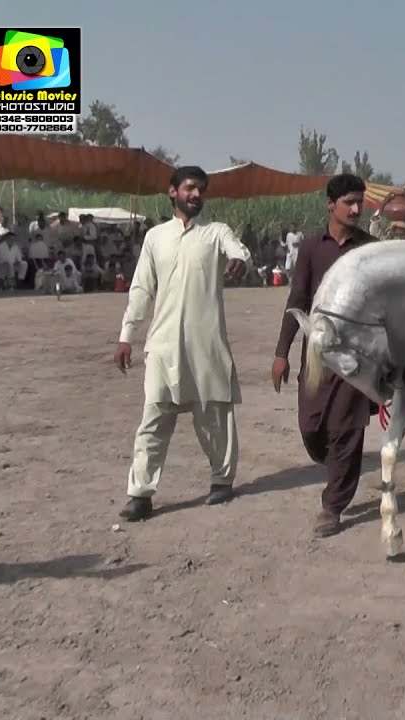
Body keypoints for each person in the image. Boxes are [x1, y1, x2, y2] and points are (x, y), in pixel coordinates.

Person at [114, 165, 251, 521]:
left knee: (215, 417)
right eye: (190, 188)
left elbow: (238, 251)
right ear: (172, 192)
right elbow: (142, 289)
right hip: (162, 346)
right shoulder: (156, 237)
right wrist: (127, 335)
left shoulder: (215, 233)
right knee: (154, 418)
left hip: (206, 345)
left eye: (201, 190)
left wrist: (240, 259)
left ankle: (222, 481)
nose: (196, 195)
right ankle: (140, 494)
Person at [273, 174, 381, 537]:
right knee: (312, 427)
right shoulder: (310, 248)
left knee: (346, 429)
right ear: (330, 204)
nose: (355, 209)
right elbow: (297, 300)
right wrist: (281, 353)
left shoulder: (370, 249)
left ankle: (332, 506)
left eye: (360, 202)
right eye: (349, 202)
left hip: (356, 357)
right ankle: (335, 462)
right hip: (316, 354)